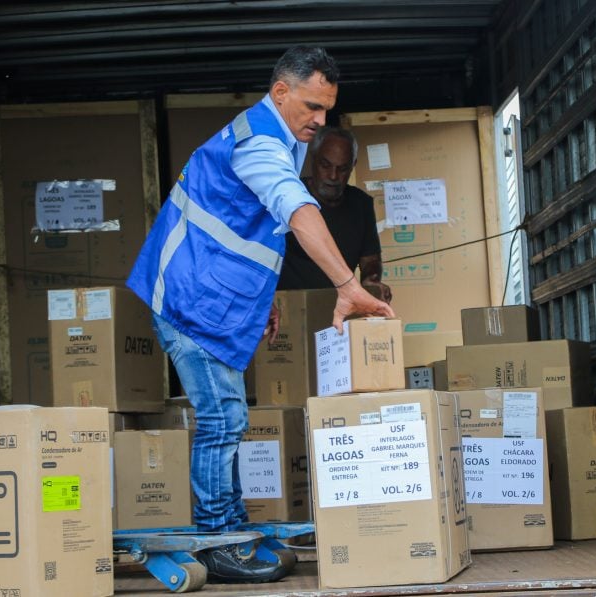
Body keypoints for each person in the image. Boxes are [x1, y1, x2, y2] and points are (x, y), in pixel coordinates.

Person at [126, 46, 394, 584]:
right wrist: (346, 286)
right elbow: (294, 211)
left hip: (213, 294)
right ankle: (215, 538)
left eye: (327, 110)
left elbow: (248, 229)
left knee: (230, 418)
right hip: (187, 297)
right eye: (313, 107)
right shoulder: (259, 145)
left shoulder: (278, 139)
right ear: (280, 93)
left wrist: (264, 296)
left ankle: (231, 525)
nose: (320, 122)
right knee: (223, 419)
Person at [277, 126, 392, 302]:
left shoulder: (361, 204)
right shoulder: (288, 198)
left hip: (340, 304)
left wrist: (371, 279)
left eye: (342, 168)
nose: (333, 176)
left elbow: (370, 259)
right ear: (313, 159)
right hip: (287, 306)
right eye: (325, 165)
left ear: (353, 166)